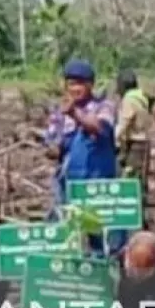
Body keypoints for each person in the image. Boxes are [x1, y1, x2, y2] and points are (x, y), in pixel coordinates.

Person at [48, 60, 120, 254]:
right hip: (69, 184)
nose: (75, 89)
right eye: (71, 84)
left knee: (104, 239)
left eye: (80, 84)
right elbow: (53, 145)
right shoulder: (59, 113)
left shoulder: (104, 106)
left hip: (98, 184)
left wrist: (74, 114)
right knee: (66, 237)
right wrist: (53, 146)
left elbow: (99, 127)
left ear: (90, 85)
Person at [115, 70, 152, 194]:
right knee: (140, 176)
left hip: (135, 141)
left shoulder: (129, 99)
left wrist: (113, 138)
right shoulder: (142, 98)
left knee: (130, 176)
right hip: (144, 140)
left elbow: (125, 122)